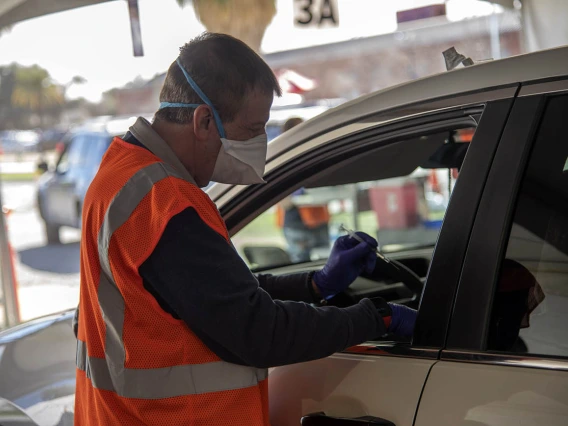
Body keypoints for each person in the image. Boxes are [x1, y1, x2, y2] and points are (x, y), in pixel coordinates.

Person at [73, 33, 417, 426]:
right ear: (204, 120)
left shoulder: (123, 172)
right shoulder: (166, 204)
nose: (259, 143)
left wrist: (315, 285)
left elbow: (208, 295)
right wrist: (377, 319)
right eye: (253, 129)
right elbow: (257, 332)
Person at [276, 117, 331, 262]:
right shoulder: (282, 157)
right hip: (297, 223)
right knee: (301, 266)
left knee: (326, 263)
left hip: (318, 219)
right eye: (302, 128)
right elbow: (282, 198)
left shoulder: (315, 152)